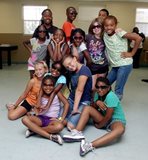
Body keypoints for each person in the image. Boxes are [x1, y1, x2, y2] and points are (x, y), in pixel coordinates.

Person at [63, 77, 126, 156]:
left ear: (109, 87)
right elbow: (93, 107)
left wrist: (100, 125)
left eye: (103, 87)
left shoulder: (111, 96)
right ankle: (77, 132)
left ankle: (89, 145)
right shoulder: (97, 94)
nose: (100, 89)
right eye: (97, 87)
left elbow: (108, 116)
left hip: (115, 120)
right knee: (87, 108)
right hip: (103, 118)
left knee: (120, 130)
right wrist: (97, 102)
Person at [22, 75, 69, 145]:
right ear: (42, 86)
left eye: (51, 85)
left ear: (54, 86)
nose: (48, 88)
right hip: (41, 118)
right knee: (24, 119)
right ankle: (50, 136)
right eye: (45, 85)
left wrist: (61, 118)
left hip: (52, 120)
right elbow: (37, 108)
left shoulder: (57, 93)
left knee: (59, 126)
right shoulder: (40, 93)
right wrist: (35, 110)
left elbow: (66, 104)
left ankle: (34, 130)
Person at [103, 15, 142, 100]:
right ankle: (108, 102)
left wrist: (132, 53)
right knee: (104, 84)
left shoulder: (119, 32)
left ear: (115, 25)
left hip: (124, 64)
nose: (109, 27)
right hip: (115, 66)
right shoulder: (104, 34)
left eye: (111, 25)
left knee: (118, 89)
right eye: (106, 25)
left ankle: (114, 110)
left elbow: (138, 38)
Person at [62, 54, 92, 130]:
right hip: (72, 99)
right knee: (59, 118)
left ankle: (84, 116)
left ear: (75, 59)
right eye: (67, 67)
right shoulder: (71, 71)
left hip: (84, 101)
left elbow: (79, 90)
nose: (69, 67)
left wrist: (75, 109)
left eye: (69, 63)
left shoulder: (84, 70)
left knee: (70, 126)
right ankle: (73, 117)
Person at [86, 17, 109, 91]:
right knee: (92, 88)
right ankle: (93, 101)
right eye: (94, 27)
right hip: (92, 66)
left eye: (98, 26)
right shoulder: (88, 37)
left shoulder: (105, 38)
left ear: (102, 27)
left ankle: (98, 101)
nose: (96, 28)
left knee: (100, 87)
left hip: (103, 66)